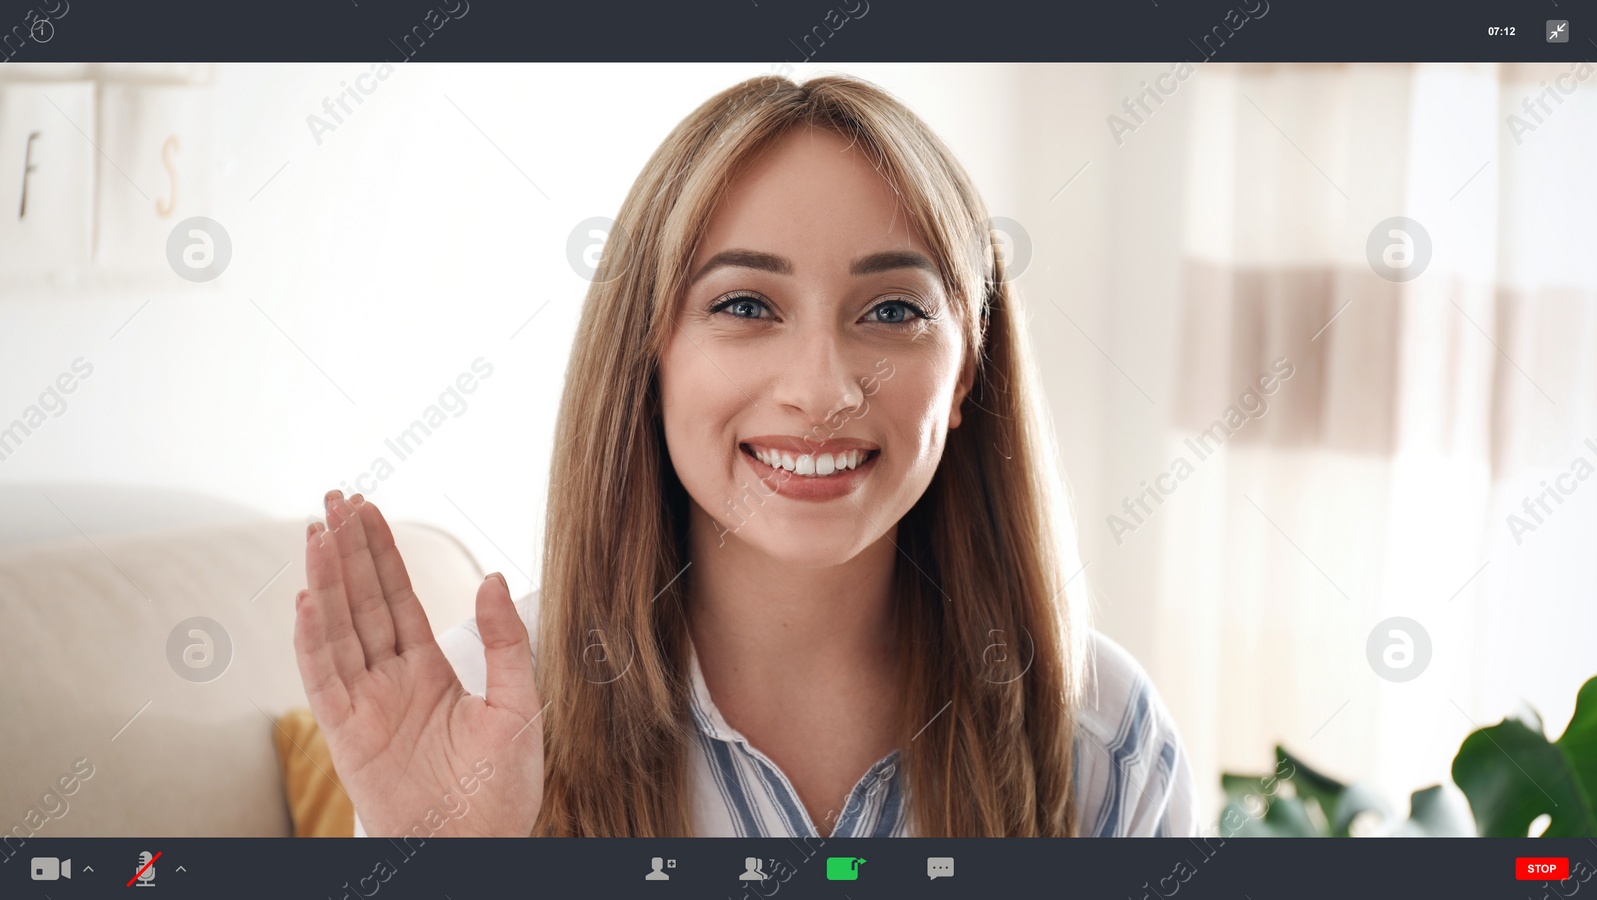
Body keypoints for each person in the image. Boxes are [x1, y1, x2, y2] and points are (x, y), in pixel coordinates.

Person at [293, 74, 1194, 839]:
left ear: (966, 374)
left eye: (892, 312)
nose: (821, 390)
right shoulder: (484, 720)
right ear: (649, 356)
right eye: (745, 306)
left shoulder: (1103, 738)